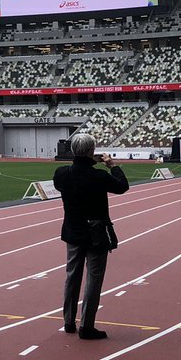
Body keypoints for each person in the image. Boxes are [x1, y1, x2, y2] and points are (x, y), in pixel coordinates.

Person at [54, 133, 130, 340]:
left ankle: (68, 322)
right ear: (91, 151)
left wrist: (86, 161)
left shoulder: (61, 173)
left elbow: (64, 184)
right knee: (93, 280)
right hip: (96, 233)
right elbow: (122, 186)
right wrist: (112, 165)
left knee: (72, 277)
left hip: (72, 231)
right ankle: (87, 326)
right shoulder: (99, 176)